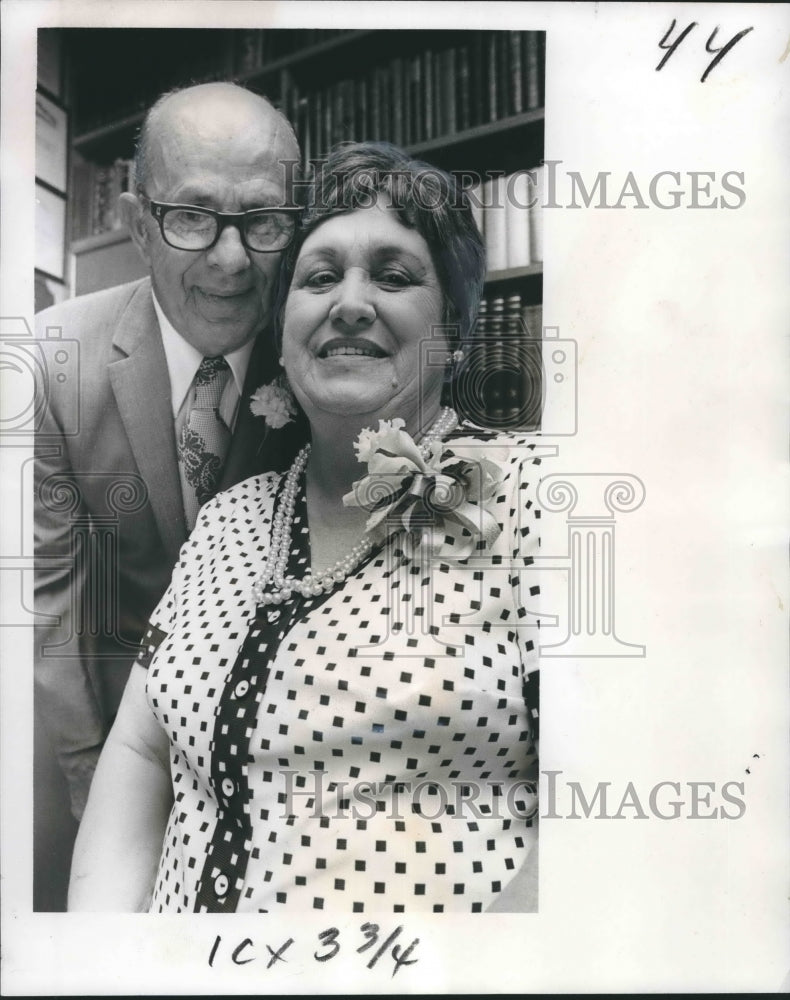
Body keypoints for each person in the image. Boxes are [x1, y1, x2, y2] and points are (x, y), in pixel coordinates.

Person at [69, 141, 541, 913]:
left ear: (453, 327)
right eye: (320, 278)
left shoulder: (534, 501)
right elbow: (142, 750)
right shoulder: (228, 518)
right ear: (284, 339)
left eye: (393, 275)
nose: (350, 303)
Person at [33, 82, 305, 906]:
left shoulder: (327, 344)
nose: (231, 260)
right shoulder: (51, 362)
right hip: (109, 727)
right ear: (136, 223)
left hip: (288, 754)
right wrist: (98, 800)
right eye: (192, 217)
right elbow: (49, 607)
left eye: (262, 220)